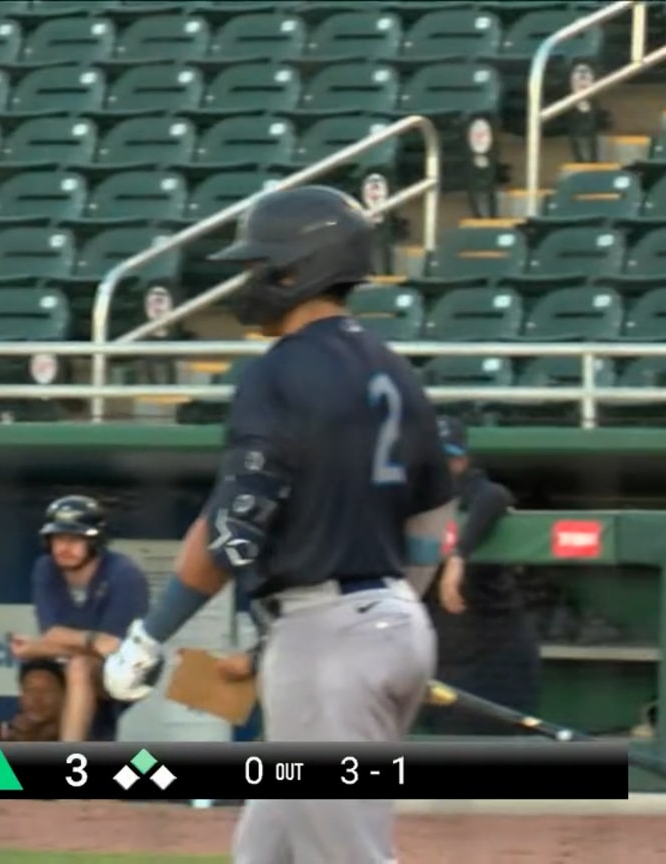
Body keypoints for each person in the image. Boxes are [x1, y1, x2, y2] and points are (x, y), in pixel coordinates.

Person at [101, 186, 455, 864]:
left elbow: (234, 530)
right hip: (388, 627)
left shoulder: (279, 373)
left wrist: (152, 633)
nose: (250, 281)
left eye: (262, 266)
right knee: (267, 852)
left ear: (300, 268)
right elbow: (434, 524)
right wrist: (391, 603)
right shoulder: (396, 371)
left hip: (327, 646)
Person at [419, 416, 540, 735]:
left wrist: (458, 555)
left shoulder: (477, 491)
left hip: (493, 652)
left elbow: (494, 496)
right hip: (439, 653)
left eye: (449, 459)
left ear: (461, 461)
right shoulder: (404, 493)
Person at [14, 495, 147, 742]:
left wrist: (40, 648)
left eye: (75, 539)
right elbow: (53, 633)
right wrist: (89, 640)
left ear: (95, 541)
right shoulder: (45, 569)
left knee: (79, 666)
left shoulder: (124, 573)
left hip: (134, 666)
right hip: (82, 668)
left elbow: (114, 647)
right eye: (58, 538)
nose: (65, 547)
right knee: (60, 672)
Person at [0, 659, 67, 743]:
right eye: (30, 690)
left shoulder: (74, 736)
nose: (37, 698)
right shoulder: (13, 738)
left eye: (47, 691)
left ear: (64, 696)